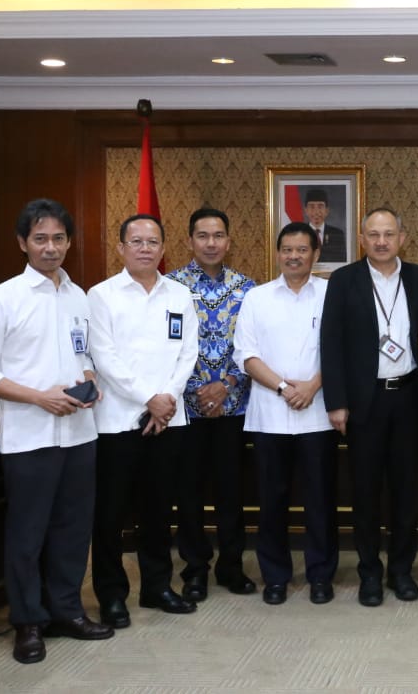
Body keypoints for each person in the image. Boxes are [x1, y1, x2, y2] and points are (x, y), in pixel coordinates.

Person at [0, 199, 113, 664]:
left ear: (70, 242)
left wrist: (89, 380)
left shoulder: (79, 296)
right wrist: (38, 396)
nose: (51, 248)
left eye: (59, 239)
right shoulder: (1, 299)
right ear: (22, 243)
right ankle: (28, 622)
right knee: (28, 534)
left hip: (80, 434)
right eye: (41, 239)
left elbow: (83, 354)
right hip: (30, 436)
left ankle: (67, 610)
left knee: (73, 529)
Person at [88, 214, 200, 629]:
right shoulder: (101, 296)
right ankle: (112, 596)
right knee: (111, 515)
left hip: (169, 419)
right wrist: (148, 399)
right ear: (121, 248)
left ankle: (156, 587)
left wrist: (167, 399)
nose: (145, 248)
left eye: (153, 242)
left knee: (158, 510)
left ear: (163, 248)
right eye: (136, 241)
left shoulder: (180, 294)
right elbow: (105, 357)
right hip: (118, 421)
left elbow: (188, 352)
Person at [321, 207, 418, 607]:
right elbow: (330, 345)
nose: (382, 241)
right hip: (364, 401)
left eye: (389, 234)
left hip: (407, 397)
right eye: (374, 234)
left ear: (403, 237)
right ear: (362, 239)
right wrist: (336, 403)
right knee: (366, 492)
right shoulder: (344, 280)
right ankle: (370, 572)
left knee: (406, 491)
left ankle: (401, 571)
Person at [233, 222, 336, 606]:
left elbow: (341, 349)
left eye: (302, 250)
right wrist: (283, 387)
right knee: (271, 501)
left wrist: (312, 386)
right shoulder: (256, 298)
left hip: (318, 414)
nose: (294, 256)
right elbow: (245, 355)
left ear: (315, 254)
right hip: (270, 416)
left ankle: (320, 575)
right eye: (287, 249)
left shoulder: (331, 294)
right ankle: (275, 576)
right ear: (278, 253)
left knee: (320, 500)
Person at [167, 208, 257, 602]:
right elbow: (162, 350)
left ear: (228, 240)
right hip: (184, 411)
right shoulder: (170, 287)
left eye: (218, 235)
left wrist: (227, 386)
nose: (210, 243)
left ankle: (232, 567)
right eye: (202, 235)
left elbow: (255, 348)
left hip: (235, 408)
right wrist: (201, 392)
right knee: (187, 493)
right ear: (189, 240)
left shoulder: (248, 289)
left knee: (231, 492)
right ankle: (195, 569)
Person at [304, 188, 347, 263]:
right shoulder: (299, 233)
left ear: (327, 211)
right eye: (312, 207)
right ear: (306, 211)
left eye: (320, 207)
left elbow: (342, 262)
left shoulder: (337, 234)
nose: (316, 212)